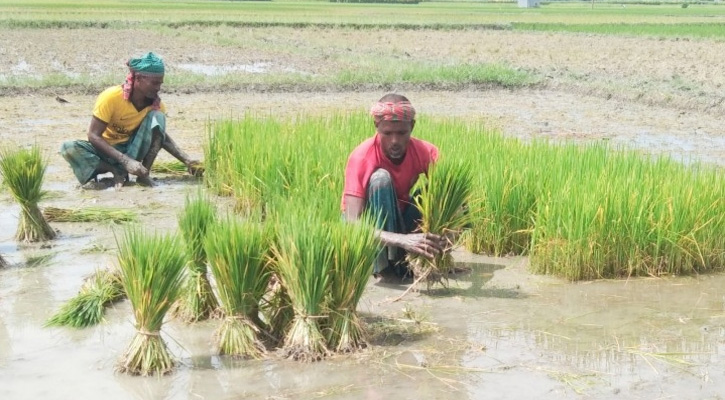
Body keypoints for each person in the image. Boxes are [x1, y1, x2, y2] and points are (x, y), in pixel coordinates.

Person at [342, 93, 447, 279]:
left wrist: (446, 237)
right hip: (368, 229)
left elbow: (456, 202)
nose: (395, 142)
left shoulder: (427, 152)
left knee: (438, 190)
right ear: (376, 127)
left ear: (412, 127)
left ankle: (412, 260)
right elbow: (352, 224)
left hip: (399, 217)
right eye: (387, 133)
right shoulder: (362, 157)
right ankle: (384, 268)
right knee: (380, 179)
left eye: (401, 133)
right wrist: (403, 240)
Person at [60, 52, 200, 189]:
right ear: (138, 79)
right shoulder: (111, 97)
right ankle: (116, 171)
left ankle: (143, 174)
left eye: (160, 83)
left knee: (158, 117)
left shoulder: (155, 106)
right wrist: (125, 161)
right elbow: (93, 135)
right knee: (68, 148)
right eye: (154, 83)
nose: (158, 88)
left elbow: (160, 136)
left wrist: (187, 160)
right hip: (106, 150)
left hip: (132, 148)